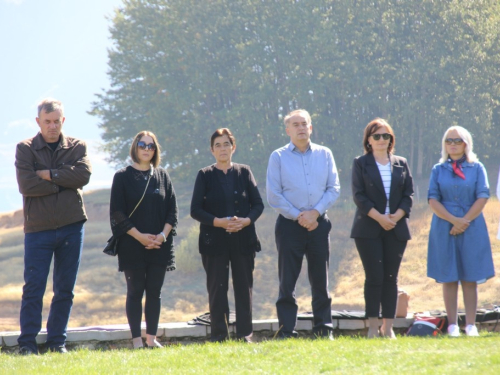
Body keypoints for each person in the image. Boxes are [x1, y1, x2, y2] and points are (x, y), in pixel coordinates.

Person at [15, 98, 92, 355]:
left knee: (65, 289)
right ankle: (27, 343)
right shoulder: (25, 149)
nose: (52, 126)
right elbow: (27, 186)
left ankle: (57, 341)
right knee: (34, 286)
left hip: (72, 226)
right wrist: (63, 179)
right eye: (47, 121)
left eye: (56, 121)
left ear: (63, 121)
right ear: (38, 122)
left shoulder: (78, 146)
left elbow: (83, 176)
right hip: (38, 229)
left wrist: (48, 174)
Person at [266, 109, 340, 339]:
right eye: (295, 124)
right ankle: (286, 330)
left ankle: (323, 329)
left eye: (304, 123)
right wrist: (301, 216)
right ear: (288, 130)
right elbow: (274, 195)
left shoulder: (325, 154)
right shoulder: (277, 157)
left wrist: (315, 213)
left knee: (320, 280)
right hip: (289, 226)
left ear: (311, 127)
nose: (300, 128)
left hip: (319, 224)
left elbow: (334, 188)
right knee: (287, 281)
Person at [191, 128, 264, 343]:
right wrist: (219, 222)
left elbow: (258, 205)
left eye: (226, 144)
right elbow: (195, 210)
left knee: (244, 288)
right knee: (217, 288)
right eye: (218, 145)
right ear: (212, 150)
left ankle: (244, 334)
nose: (222, 149)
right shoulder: (204, 175)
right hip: (214, 241)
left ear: (233, 147)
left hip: (244, 240)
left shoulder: (245, 172)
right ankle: (219, 335)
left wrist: (246, 221)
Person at [109, 131, 178, 349]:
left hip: (159, 244)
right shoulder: (122, 176)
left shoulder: (163, 176)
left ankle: (151, 338)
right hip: (132, 244)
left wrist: (162, 236)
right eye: (142, 145)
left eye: (151, 146)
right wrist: (140, 237)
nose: (147, 149)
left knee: (154, 293)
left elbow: (172, 212)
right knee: (135, 291)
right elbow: (117, 213)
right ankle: (137, 340)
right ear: (135, 148)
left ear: (155, 150)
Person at [427, 126, 495, 337]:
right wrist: (453, 220)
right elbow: (432, 198)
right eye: (449, 140)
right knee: (449, 276)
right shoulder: (438, 169)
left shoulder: (477, 168)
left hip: (472, 226)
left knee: (469, 276)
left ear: (466, 143)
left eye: (457, 140)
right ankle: (453, 325)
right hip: (444, 226)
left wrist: (464, 221)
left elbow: (483, 196)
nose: (453, 144)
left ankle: (471, 325)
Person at [350, 118, 414, 339]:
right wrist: (379, 218)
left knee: (390, 277)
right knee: (374, 277)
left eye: (385, 136)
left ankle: (388, 328)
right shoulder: (360, 163)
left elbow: (409, 195)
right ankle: (372, 327)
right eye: (376, 136)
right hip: (368, 228)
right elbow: (359, 196)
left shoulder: (401, 163)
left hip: (396, 228)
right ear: (368, 139)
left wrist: (396, 216)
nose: (381, 140)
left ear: (391, 139)